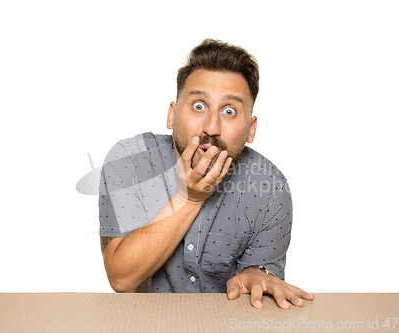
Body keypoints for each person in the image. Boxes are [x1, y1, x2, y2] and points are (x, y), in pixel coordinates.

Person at [99, 39, 314, 309]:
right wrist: (189, 198)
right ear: (172, 115)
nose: (211, 127)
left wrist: (255, 277)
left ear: (251, 129)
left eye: (229, 111)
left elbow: (258, 277)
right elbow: (121, 279)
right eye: (199, 106)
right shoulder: (129, 161)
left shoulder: (271, 188)